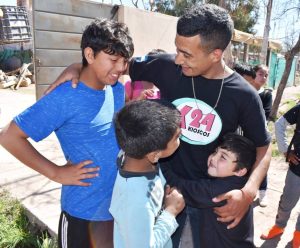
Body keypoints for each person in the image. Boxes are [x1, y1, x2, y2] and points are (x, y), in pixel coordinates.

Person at [46, 4, 271, 247]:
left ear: (215, 54)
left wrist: (248, 193)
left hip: (209, 200)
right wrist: (79, 66)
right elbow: (114, 63)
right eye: (177, 50)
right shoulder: (167, 67)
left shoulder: (245, 95)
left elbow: (264, 147)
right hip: (164, 192)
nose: (177, 59)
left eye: (187, 54)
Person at [0, 18, 134, 248]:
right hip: (82, 213)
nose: (120, 68)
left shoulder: (117, 90)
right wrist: (56, 173)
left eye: (124, 61)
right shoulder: (66, 96)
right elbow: (9, 136)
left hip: (116, 209)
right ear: (90, 55)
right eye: (113, 60)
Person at [110, 100, 185, 247]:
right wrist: (170, 212)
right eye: (176, 137)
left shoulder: (132, 155)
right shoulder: (136, 202)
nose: (180, 137)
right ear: (154, 154)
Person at [165, 133, 256, 247]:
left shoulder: (221, 192)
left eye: (222, 157)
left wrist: (159, 163)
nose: (213, 158)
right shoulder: (238, 183)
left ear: (240, 171)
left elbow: (182, 187)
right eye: (215, 152)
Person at [260, 104, 300, 248]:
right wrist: (285, 150)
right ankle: (279, 226)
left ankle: (298, 234)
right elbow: (280, 123)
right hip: (297, 169)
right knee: (287, 201)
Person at [233, 63, 272, 207]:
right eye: (261, 74)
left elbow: (265, 115)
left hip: (257, 133)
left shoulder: (266, 94)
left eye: (266, 75)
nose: (263, 77)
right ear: (254, 75)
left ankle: (262, 192)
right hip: (241, 134)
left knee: (260, 161)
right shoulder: (241, 91)